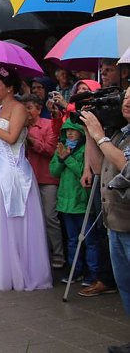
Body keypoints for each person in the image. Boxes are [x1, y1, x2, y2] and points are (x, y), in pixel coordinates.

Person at [0, 69, 52, 291]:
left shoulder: (19, 108)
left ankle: (22, 269)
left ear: (9, 88)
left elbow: (12, 137)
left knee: (15, 219)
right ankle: (1, 268)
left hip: (14, 171)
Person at [79, 88, 130, 353]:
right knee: (125, 287)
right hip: (115, 225)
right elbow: (99, 167)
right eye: (126, 97)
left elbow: (125, 165)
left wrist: (100, 136)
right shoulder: (120, 134)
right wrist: (90, 133)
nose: (127, 101)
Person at [50, 118, 99, 286]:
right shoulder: (62, 147)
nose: (69, 133)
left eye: (73, 130)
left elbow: (83, 172)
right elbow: (53, 171)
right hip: (66, 203)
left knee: (90, 241)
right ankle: (75, 272)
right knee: (72, 240)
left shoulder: (87, 149)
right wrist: (60, 158)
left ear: (81, 132)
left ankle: (93, 274)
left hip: (82, 202)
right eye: (67, 131)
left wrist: (67, 158)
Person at [20, 93, 63, 269]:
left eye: (29, 108)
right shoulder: (18, 127)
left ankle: (58, 254)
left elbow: (51, 150)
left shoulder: (48, 125)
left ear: (39, 109)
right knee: (30, 219)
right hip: (25, 179)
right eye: (24, 109)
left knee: (50, 217)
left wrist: (30, 140)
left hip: (46, 178)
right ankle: (37, 255)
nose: (26, 112)